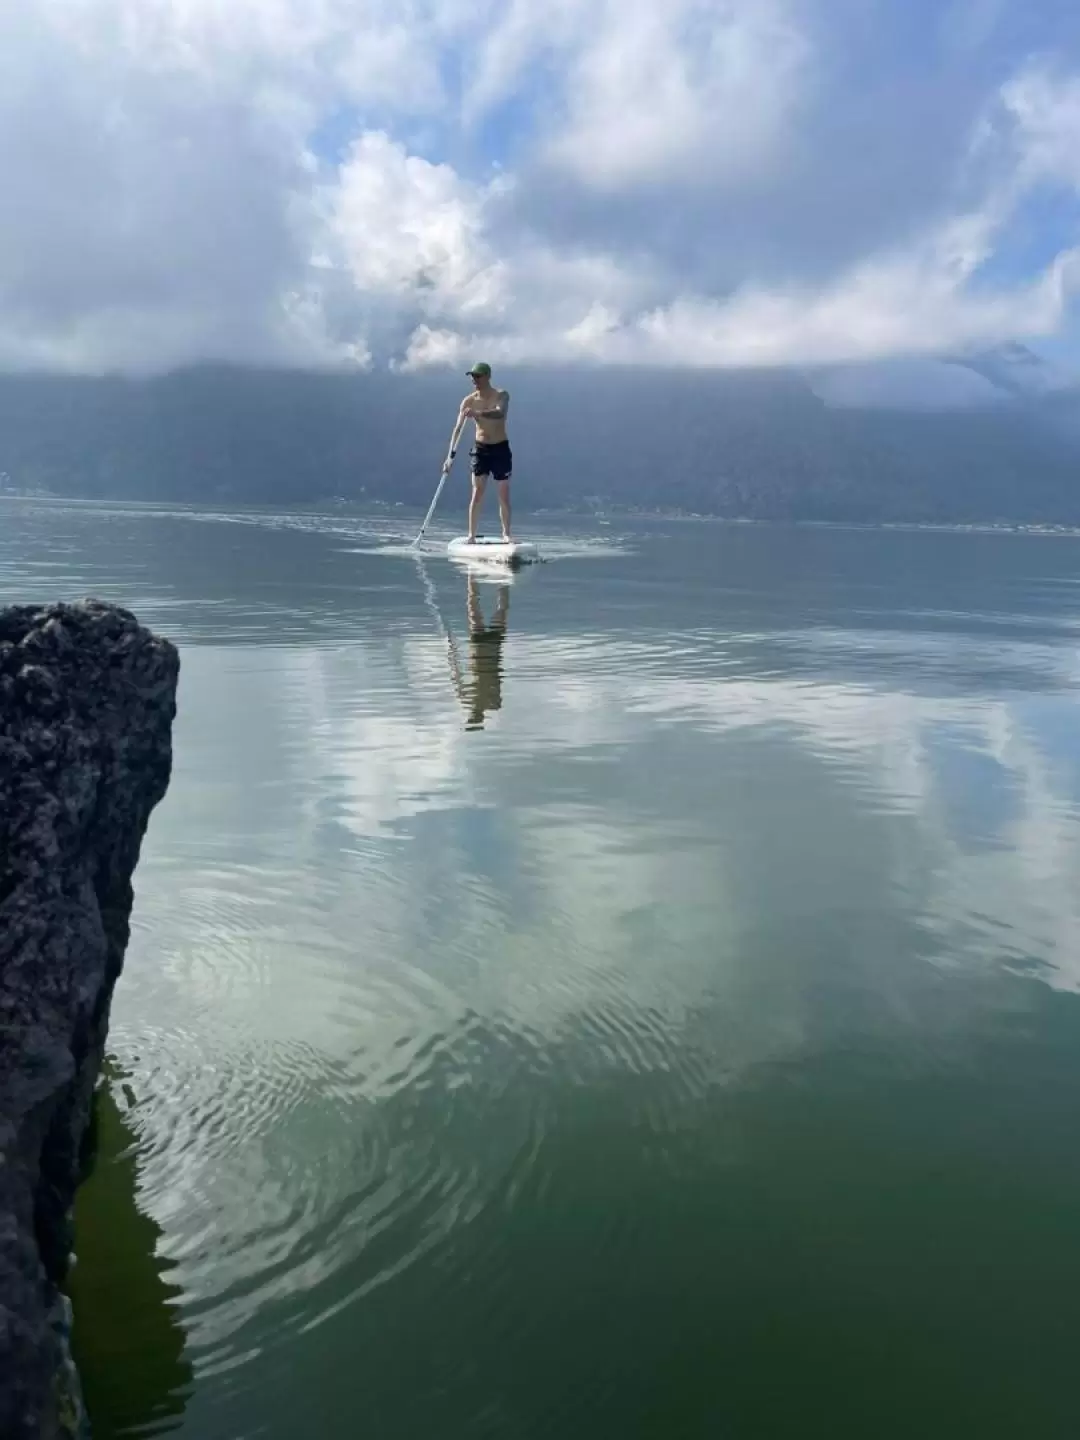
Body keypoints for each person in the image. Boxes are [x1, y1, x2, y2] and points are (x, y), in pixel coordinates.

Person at [442, 362, 513, 542]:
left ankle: (506, 534)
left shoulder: (502, 395)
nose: (475, 380)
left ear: (488, 376)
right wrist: (449, 458)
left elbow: (500, 413)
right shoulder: (468, 401)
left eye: (478, 376)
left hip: (500, 448)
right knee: (477, 491)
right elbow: (457, 429)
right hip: (481, 449)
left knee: (503, 492)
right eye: (472, 376)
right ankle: (471, 536)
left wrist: (478, 413)